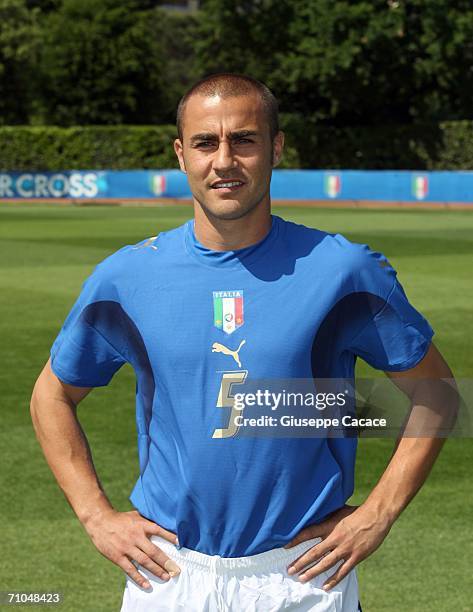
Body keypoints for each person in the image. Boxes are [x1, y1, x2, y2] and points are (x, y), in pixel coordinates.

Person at [30, 73, 456, 612]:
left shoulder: (342, 270)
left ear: (275, 147)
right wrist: (96, 515)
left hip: (303, 576)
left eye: (245, 140)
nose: (224, 160)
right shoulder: (125, 278)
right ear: (181, 154)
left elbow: (437, 392)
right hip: (168, 573)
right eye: (206, 142)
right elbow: (51, 395)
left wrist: (378, 513)